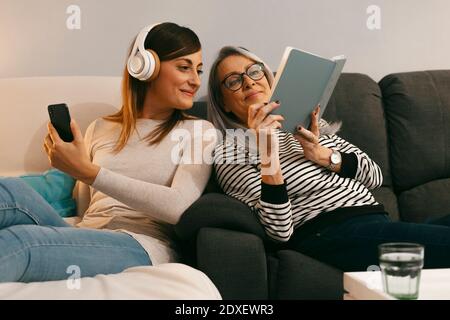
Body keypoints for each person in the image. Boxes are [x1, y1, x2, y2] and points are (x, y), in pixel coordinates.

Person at [0, 22, 216, 282]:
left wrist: (90, 172)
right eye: (184, 67)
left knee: (24, 241)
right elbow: (85, 208)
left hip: (142, 244)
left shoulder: (199, 131)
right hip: (87, 234)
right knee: (11, 192)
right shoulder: (100, 128)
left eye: (199, 70)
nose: (195, 80)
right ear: (145, 67)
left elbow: (179, 207)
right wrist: (78, 175)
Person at [207, 46, 450, 271]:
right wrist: (268, 152)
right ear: (224, 103)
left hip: (375, 220)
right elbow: (279, 230)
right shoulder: (231, 152)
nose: (249, 81)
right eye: (234, 81)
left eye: (254, 71)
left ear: (269, 81)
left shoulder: (306, 122)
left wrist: (322, 155)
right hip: (330, 233)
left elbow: (375, 176)